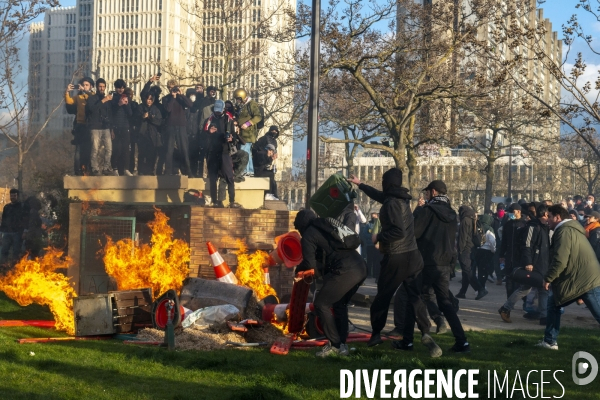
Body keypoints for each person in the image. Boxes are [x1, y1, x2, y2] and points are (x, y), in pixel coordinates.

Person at [348, 169, 443, 358]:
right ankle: (425, 332)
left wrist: (378, 236)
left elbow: (397, 231)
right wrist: (360, 184)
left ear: (388, 183)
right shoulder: (401, 199)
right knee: (415, 297)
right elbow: (380, 196)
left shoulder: (391, 204)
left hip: (397, 256)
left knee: (383, 296)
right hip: (413, 256)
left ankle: (375, 334)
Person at [293, 209, 367, 357]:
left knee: (321, 304)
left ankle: (335, 345)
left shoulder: (307, 235)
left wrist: (298, 271)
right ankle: (342, 346)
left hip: (346, 270)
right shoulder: (325, 226)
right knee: (339, 305)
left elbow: (310, 264)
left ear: (301, 225)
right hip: (360, 266)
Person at [413, 180, 470, 352]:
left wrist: (418, 210)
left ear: (433, 192)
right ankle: (462, 341)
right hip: (445, 263)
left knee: (416, 296)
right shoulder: (452, 213)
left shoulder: (428, 211)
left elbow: (414, 232)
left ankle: (420, 335)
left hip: (427, 261)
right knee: (445, 302)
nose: (426, 196)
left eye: (427, 193)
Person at [537, 205, 600, 350]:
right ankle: (549, 341)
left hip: (585, 280)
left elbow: (560, 259)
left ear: (558, 217)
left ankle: (550, 341)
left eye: (550, 217)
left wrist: (548, 278)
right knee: (554, 304)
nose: (547, 221)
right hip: (581, 278)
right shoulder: (572, 229)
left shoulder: (564, 231)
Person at [499, 203, 550, 325]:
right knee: (525, 288)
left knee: (542, 289)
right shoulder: (532, 227)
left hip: (543, 263)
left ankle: (544, 316)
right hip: (533, 263)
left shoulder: (546, 228)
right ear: (546, 214)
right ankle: (506, 308)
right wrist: (528, 262)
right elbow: (527, 245)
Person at [204, 100, 242, 208]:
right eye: (216, 111)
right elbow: (202, 135)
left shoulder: (228, 120)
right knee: (213, 178)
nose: (217, 113)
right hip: (212, 152)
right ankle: (214, 201)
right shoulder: (209, 120)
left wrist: (231, 138)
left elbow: (235, 136)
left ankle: (232, 201)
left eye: (219, 111)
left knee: (229, 177)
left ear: (223, 110)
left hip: (225, 151)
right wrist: (209, 133)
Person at [162, 80, 193, 175]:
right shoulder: (166, 98)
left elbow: (190, 105)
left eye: (174, 87)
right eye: (170, 88)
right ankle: (168, 171)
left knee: (184, 149)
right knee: (169, 149)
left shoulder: (182, 98)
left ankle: (188, 171)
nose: (172, 89)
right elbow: (168, 109)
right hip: (171, 125)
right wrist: (173, 98)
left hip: (181, 125)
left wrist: (181, 95)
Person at [456, 205, 487, 300]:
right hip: (472, 248)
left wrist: (459, 250)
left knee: (467, 271)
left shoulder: (465, 220)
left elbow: (462, 237)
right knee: (467, 271)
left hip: (465, 249)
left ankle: (480, 289)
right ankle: (462, 292)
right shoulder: (473, 219)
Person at [65, 77, 94, 175]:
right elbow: (69, 101)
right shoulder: (78, 97)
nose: (84, 87)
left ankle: (88, 169)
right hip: (80, 125)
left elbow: (94, 100)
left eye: (87, 85)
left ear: (91, 86)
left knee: (90, 149)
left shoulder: (92, 95)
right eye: (83, 85)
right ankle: (77, 170)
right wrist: (67, 92)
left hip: (90, 125)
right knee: (79, 149)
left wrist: (86, 92)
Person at [86, 78, 114, 176]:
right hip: (94, 127)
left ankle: (106, 167)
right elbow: (92, 109)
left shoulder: (108, 100)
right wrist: (103, 100)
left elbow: (110, 114)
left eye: (103, 86)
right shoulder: (92, 98)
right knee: (95, 149)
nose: (102, 88)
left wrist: (111, 129)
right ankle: (95, 169)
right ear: (97, 87)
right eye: (100, 86)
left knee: (109, 148)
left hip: (105, 127)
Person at [498, 203, 527, 297]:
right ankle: (509, 301)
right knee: (509, 280)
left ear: (519, 211)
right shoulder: (508, 224)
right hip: (509, 256)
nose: (511, 214)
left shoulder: (524, 224)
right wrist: (501, 255)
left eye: (512, 212)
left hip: (520, 256)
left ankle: (524, 301)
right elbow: (504, 241)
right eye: (509, 212)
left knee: (520, 280)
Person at [234, 88, 263, 176]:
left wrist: (247, 124)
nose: (237, 101)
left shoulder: (252, 104)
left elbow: (258, 117)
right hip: (243, 134)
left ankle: (244, 170)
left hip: (248, 134)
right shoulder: (243, 105)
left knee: (244, 153)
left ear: (243, 97)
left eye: (238, 98)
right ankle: (250, 171)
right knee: (247, 153)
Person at [110, 79, 133, 176]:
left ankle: (126, 169)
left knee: (126, 148)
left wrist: (126, 104)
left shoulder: (127, 97)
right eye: (119, 88)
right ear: (115, 88)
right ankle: (114, 168)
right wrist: (119, 104)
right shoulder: (112, 98)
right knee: (116, 148)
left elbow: (130, 114)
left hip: (125, 126)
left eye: (122, 88)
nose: (121, 90)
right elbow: (111, 113)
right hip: (115, 126)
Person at [136, 94, 163, 175]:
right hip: (142, 133)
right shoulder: (140, 107)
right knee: (142, 153)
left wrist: (150, 117)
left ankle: (150, 170)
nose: (149, 101)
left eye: (151, 99)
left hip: (152, 134)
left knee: (152, 153)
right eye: (148, 99)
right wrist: (142, 116)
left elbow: (159, 121)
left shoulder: (156, 109)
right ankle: (140, 170)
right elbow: (136, 119)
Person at [0, 189, 27, 265]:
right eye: (11, 196)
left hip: (18, 233)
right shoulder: (7, 207)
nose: (13, 197)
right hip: (7, 233)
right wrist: (1, 232)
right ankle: (4, 267)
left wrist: (25, 231)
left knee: (16, 252)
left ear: (17, 196)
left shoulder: (22, 206)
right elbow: (3, 220)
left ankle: (15, 269)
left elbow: (25, 219)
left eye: (14, 196)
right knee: (4, 250)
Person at [473, 214, 495, 294]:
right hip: (487, 251)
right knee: (484, 271)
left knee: (478, 269)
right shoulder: (489, 229)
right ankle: (482, 287)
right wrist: (493, 250)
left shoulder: (477, 226)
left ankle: (479, 287)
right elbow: (492, 241)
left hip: (477, 250)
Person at [126, 88, 140, 175]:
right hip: (124, 128)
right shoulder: (121, 103)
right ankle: (125, 168)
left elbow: (135, 116)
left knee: (132, 150)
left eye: (130, 94)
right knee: (124, 149)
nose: (129, 96)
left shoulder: (135, 105)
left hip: (132, 129)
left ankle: (131, 168)